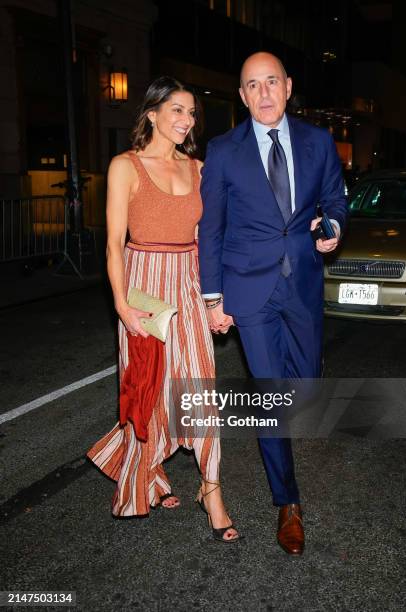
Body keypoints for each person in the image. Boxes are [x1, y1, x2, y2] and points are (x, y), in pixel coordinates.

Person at [199, 52, 348, 554]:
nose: (263, 93)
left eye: (271, 82)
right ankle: (288, 502)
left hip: (302, 283)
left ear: (287, 86)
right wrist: (213, 298)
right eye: (251, 85)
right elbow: (211, 229)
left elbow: (334, 201)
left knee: (302, 383)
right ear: (241, 96)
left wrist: (331, 229)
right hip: (249, 290)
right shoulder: (222, 151)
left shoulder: (318, 141)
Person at [87, 76, 239, 542]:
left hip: (189, 283)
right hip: (145, 287)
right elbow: (114, 244)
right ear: (152, 113)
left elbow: (206, 239)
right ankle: (148, 473)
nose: (186, 120)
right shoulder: (124, 166)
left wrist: (217, 300)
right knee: (149, 388)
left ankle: (211, 490)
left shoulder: (198, 168)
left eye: (192, 112)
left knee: (200, 389)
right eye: (177, 109)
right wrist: (120, 304)